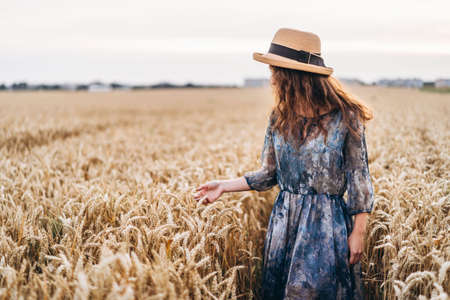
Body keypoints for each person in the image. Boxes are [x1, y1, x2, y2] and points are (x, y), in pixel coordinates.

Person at [193, 28, 374, 300]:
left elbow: (360, 181)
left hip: (326, 228)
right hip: (284, 223)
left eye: (275, 71)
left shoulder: (346, 118)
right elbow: (268, 175)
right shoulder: (279, 118)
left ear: (293, 76)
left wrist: (358, 233)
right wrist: (223, 186)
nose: (272, 79)